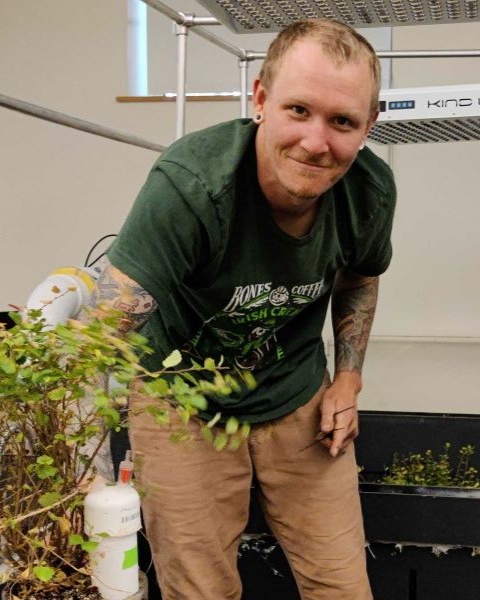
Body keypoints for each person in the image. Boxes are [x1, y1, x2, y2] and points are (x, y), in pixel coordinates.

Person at [94, 18, 395, 600]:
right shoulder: (191, 186)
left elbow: (360, 274)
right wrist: (84, 473)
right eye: (299, 110)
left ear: (368, 126)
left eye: (342, 122)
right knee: (200, 590)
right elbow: (102, 332)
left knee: (342, 585)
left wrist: (349, 378)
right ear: (260, 98)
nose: (316, 142)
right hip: (180, 398)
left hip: (297, 392)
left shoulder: (370, 192)